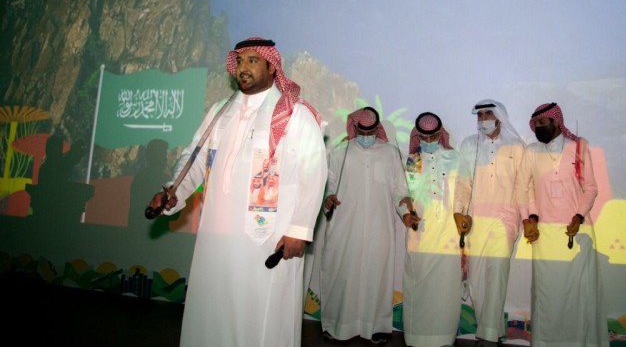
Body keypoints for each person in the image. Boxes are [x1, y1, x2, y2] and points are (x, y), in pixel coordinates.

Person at [147, 37, 327, 347]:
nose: (243, 68)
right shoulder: (220, 112)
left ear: (272, 67)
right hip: (216, 238)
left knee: (261, 320)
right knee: (212, 312)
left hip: (266, 240)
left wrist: (299, 230)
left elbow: (314, 172)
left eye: (252, 61)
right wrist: (174, 191)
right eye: (239, 61)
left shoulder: (295, 114)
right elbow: (195, 158)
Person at [320, 106, 414, 344]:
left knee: (377, 275)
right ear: (355, 127)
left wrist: (405, 213)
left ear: (377, 129)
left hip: (379, 227)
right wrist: (328, 198)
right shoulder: (341, 151)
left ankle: (378, 327)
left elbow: (400, 189)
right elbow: (329, 183)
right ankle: (337, 325)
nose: (366, 136)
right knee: (343, 274)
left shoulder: (390, 153)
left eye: (370, 132)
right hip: (345, 227)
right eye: (361, 131)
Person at [517, 102, 608, 347]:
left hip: (576, 232)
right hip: (545, 235)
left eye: (542, 123)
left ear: (556, 122)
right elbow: (522, 188)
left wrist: (579, 216)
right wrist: (528, 218)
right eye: (535, 124)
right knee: (547, 296)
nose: (538, 127)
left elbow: (591, 188)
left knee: (579, 295)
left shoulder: (578, 148)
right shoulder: (531, 152)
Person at [454, 99, 525, 345]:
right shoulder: (469, 144)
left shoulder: (516, 147)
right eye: (480, 115)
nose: (483, 119)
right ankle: (490, 328)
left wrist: (527, 218)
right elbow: (463, 182)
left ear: (499, 117)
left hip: (505, 219)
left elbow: (523, 186)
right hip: (476, 219)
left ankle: (489, 335)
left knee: (496, 275)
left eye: (488, 114)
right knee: (475, 279)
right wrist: (458, 212)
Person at [402, 112, 463, 347]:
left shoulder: (454, 157)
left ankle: (445, 337)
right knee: (419, 285)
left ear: (440, 135)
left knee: (446, 288)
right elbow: (407, 194)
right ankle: (416, 338)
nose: (428, 141)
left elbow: (464, 192)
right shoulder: (413, 160)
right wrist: (407, 212)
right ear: (418, 136)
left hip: (449, 232)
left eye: (433, 137)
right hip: (421, 231)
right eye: (424, 137)